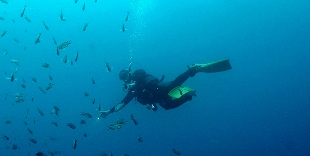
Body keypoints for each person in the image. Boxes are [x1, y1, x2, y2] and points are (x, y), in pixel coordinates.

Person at [99, 59, 232, 117]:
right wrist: (109, 112)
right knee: (168, 107)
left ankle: (193, 69)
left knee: (174, 84)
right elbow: (122, 103)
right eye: (123, 78)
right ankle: (187, 97)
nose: (126, 78)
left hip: (158, 88)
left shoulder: (136, 74)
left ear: (128, 73)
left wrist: (135, 81)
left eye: (125, 75)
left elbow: (142, 73)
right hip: (158, 98)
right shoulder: (132, 91)